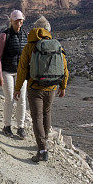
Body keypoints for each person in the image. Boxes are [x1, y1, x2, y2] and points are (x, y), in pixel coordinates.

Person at [14, 16, 68, 162]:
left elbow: (22, 69)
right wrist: (63, 86)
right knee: (46, 113)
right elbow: (64, 67)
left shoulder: (29, 46)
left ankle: (42, 149)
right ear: (48, 30)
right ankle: (44, 142)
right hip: (51, 87)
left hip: (34, 87)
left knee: (36, 117)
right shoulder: (56, 45)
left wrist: (17, 88)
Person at [0, 9, 28, 138]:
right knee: (9, 99)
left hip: (21, 73)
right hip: (7, 71)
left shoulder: (25, 35)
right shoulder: (4, 35)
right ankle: (7, 126)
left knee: (22, 100)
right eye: (16, 20)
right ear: (12, 21)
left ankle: (21, 127)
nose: (18, 22)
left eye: (20, 20)